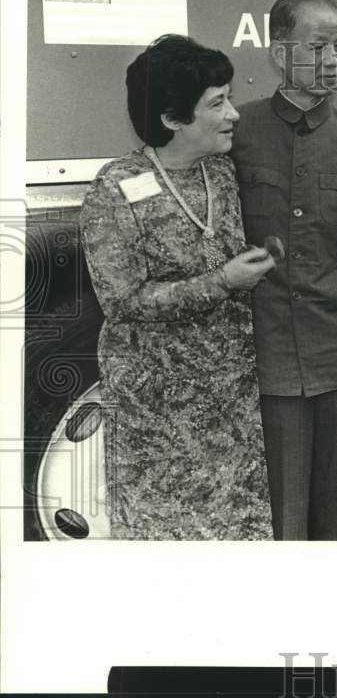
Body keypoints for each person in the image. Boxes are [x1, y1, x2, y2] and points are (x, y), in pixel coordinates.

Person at [79, 34, 275, 540]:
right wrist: (223, 281)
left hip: (230, 411)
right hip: (157, 421)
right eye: (217, 103)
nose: (233, 113)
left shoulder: (223, 175)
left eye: (229, 97)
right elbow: (122, 302)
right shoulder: (115, 187)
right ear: (172, 119)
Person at [230, 0, 337, 541]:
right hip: (268, 355)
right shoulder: (238, 136)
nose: (333, 60)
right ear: (280, 52)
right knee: (278, 516)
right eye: (319, 46)